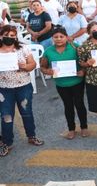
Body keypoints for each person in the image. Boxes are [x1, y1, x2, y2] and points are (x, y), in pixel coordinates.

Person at [0, 25, 44, 157]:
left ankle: (32, 136)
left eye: (12, 35)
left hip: (23, 87)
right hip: (4, 89)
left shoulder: (22, 48)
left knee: (26, 113)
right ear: (1, 36)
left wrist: (25, 66)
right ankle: (7, 142)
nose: (9, 37)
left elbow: (33, 64)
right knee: (6, 116)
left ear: (16, 37)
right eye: (6, 35)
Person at [40, 27, 88, 139]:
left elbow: (84, 62)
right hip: (61, 84)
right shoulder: (48, 51)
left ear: (66, 37)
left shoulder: (75, 47)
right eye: (55, 37)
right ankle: (71, 129)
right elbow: (42, 66)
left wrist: (83, 71)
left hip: (77, 82)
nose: (59, 39)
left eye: (61, 36)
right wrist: (48, 71)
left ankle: (84, 127)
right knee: (68, 106)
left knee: (79, 104)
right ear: (52, 38)